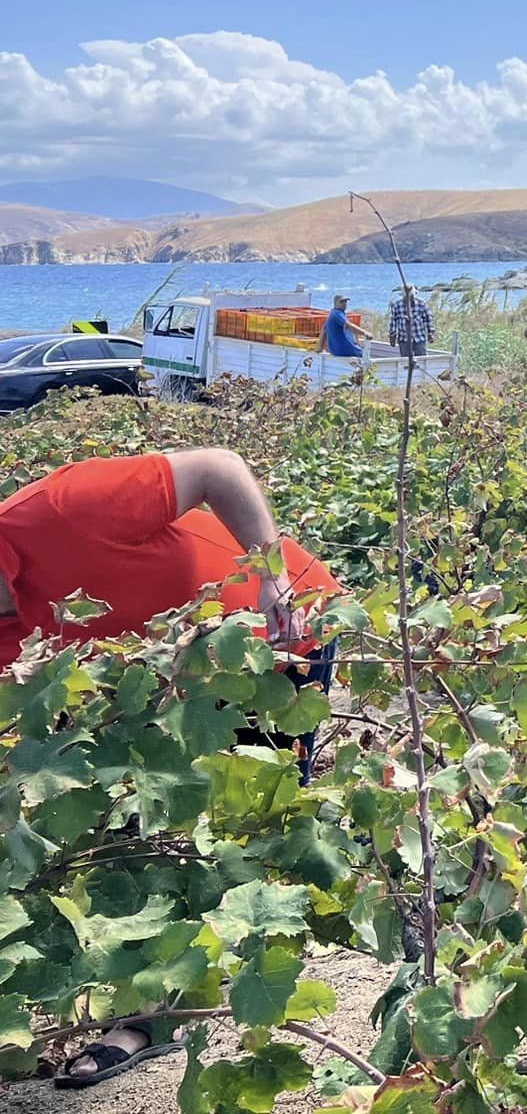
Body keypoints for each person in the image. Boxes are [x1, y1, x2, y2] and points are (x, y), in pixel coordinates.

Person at [0, 448, 341, 1086]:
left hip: (276, 636)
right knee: (140, 835)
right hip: (160, 694)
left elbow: (220, 467)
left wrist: (270, 574)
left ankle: (172, 1007)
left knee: (247, 827)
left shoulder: (62, 508)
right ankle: (149, 1000)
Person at [390, 284, 435, 360]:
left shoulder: (421, 303)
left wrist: (431, 333)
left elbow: (428, 319)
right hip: (404, 339)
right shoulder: (397, 305)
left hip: (419, 338)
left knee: (422, 360)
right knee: (405, 362)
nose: (409, 298)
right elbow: (393, 322)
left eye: (411, 296)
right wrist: (392, 337)